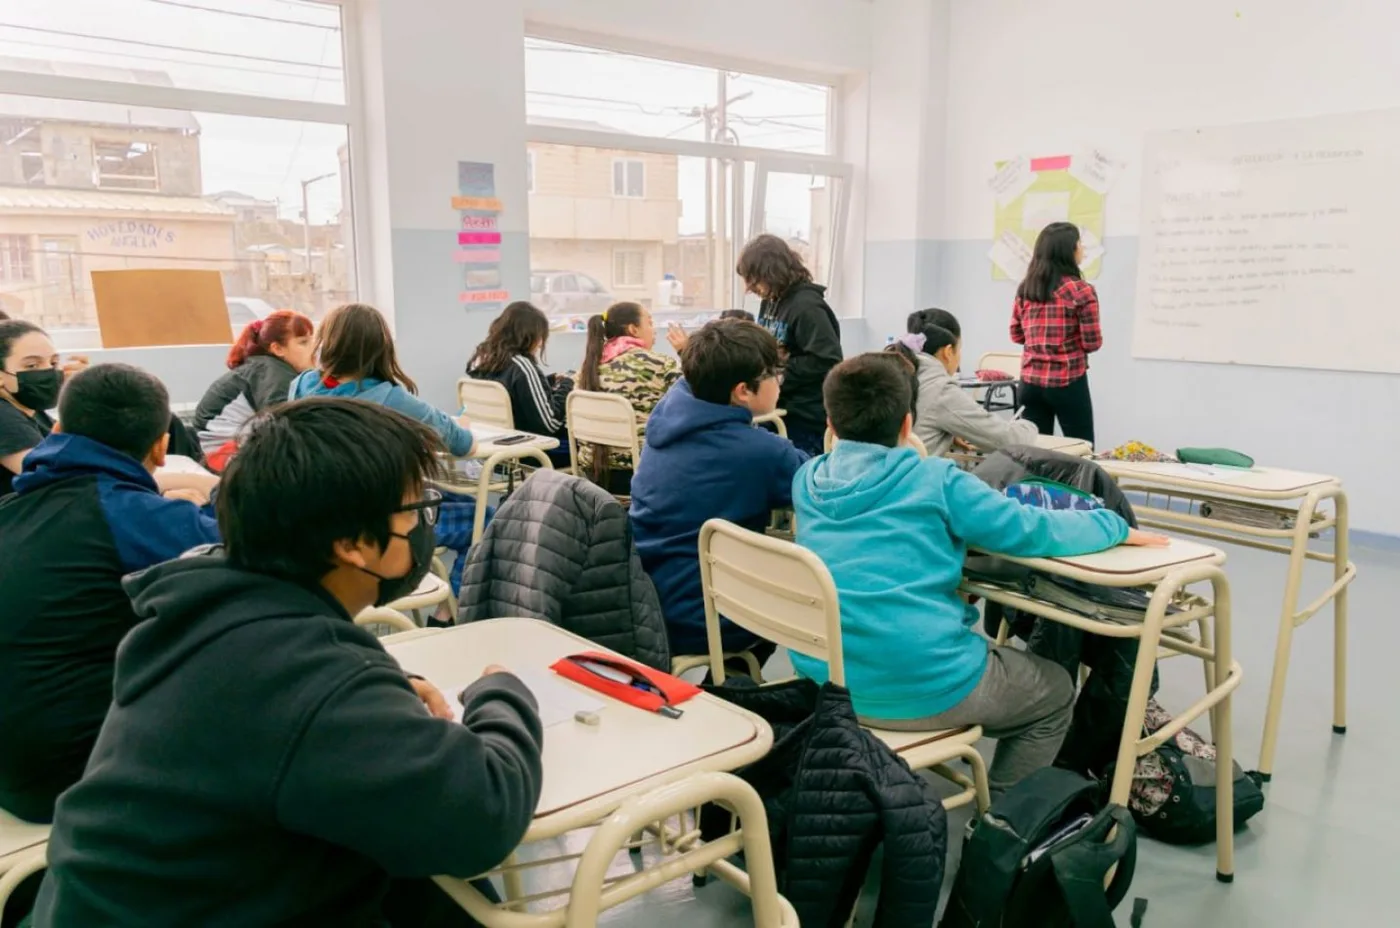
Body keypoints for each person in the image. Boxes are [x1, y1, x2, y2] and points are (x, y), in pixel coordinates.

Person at [32, 398, 543, 927]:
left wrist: (378, 698)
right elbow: (483, 817)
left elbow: (281, 723)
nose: (423, 528)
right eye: (415, 512)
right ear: (350, 544)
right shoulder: (309, 677)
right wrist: (499, 692)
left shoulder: (208, 611)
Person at [791, 354, 1165, 793]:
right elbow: (1030, 529)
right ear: (908, 424)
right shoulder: (937, 481)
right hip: (925, 685)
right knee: (1055, 692)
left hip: (824, 681)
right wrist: (1112, 525)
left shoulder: (807, 480)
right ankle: (1004, 822)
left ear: (830, 424)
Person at [630, 319, 808, 662]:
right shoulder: (762, 452)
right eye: (776, 374)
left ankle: (732, 679)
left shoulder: (666, 422)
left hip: (644, 600)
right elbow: (818, 490)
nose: (780, 381)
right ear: (743, 391)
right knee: (808, 593)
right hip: (704, 617)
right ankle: (737, 681)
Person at [289, 303, 481, 594]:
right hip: (377, 529)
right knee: (485, 519)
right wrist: (463, 425)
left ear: (326, 342)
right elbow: (462, 445)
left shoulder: (300, 386)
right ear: (383, 348)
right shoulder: (391, 399)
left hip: (315, 524)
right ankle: (450, 614)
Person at [737, 234, 842, 456]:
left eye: (754, 279)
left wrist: (781, 370)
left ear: (770, 271)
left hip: (804, 418)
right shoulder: (771, 301)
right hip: (777, 410)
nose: (750, 287)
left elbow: (827, 360)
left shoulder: (808, 307)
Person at [886, 310, 1039, 457]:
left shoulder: (889, 373)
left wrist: (948, 431)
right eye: (959, 349)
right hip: (914, 480)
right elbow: (1009, 440)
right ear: (948, 351)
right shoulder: (942, 390)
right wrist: (1029, 425)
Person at [575, 301, 684, 494]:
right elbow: (695, 402)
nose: (654, 331)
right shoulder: (660, 364)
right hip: (642, 474)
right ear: (633, 329)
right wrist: (686, 353)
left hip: (592, 475)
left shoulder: (586, 368)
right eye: (650, 323)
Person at [1011, 221, 1102, 444]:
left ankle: (1035, 481)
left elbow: (1016, 334)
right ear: (1068, 251)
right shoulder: (1082, 290)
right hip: (1067, 382)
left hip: (1030, 383)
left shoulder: (1027, 288)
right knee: (1081, 447)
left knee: (1036, 450)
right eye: (1079, 244)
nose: (1082, 249)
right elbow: (1092, 343)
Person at [193, 310, 315, 468]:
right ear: (278, 349)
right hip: (222, 452)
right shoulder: (274, 373)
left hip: (226, 447)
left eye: (313, 340)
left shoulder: (266, 368)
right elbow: (282, 425)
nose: (313, 348)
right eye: (303, 342)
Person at [465, 301, 572, 462]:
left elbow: (513, 392)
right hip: (531, 451)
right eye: (540, 336)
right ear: (527, 336)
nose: (541, 343)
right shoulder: (522, 366)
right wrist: (567, 385)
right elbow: (550, 424)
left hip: (497, 449)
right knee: (590, 449)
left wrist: (547, 380)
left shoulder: (483, 359)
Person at [0, 320, 62, 498]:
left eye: (53, 363)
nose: (48, 372)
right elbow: (56, 476)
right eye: (32, 366)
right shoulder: (3, 416)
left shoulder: (32, 411)